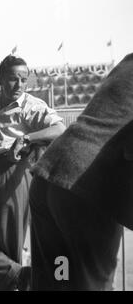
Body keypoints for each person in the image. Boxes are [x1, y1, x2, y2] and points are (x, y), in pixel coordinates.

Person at [0, 54, 65, 291]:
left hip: (14, 173)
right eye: (12, 79)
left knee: (10, 245)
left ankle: (18, 283)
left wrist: (27, 138)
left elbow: (60, 128)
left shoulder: (30, 105)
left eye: (24, 80)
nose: (19, 85)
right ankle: (19, 277)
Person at [29, 53, 133, 290]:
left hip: (50, 175)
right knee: (91, 285)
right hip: (84, 184)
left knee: (58, 279)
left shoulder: (128, 61)